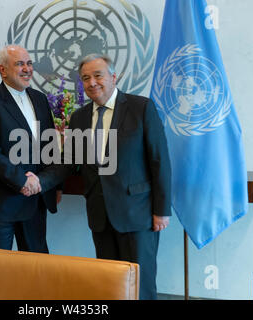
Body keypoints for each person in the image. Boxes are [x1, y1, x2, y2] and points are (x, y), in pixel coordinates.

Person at [23, 54, 172, 299]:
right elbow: (67, 163)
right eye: (85, 78)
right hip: (100, 215)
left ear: (113, 77)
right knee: (109, 285)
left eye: (98, 75)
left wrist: (162, 210)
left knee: (140, 286)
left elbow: (160, 160)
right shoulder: (79, 118)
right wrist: (40, 181)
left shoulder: (141, 107)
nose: (92, 82)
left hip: (137, 215)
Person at [0, 44, 60, 253]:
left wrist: (55, 185)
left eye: (29, 63)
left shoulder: (40, 99)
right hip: (0, 203)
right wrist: (22, 181)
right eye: (19, 64)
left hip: (35, 200)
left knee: (36, 268)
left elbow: (50, 146)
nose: (27, 69)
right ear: (3, 70)